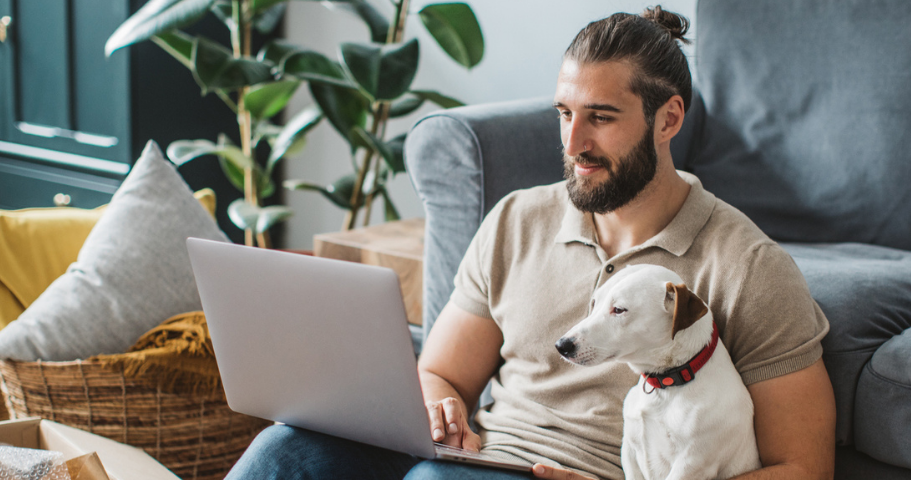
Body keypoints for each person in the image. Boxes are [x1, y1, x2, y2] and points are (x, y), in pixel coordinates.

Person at [226, 6, 834, 480]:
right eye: (564, 114)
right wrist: (444, 409)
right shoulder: (518, 218)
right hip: (476, 455)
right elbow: (440, 372)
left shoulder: (749, 266)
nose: (573, 144)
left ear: (668, 119)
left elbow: (805, 468)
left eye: (601, 116)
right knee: (285, 451)